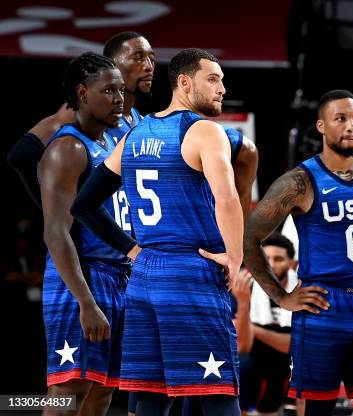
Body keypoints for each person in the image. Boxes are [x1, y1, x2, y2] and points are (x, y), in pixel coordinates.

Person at [71, 48, 243, 416]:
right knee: (217, 394)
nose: (222, 88)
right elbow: (228, 197)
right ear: (184, 83)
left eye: (223, 80)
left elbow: (84, 205)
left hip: (144, 278)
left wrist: (133, 251)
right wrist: (235, 256)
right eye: (213, 79)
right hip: (190, 273)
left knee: (148, 397)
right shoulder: (204, 131)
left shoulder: (135, 134)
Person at [243, 89, 353, 416]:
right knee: (317, 410)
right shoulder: (299, 182)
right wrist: (282, 297)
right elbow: (249, 237)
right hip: (324, 308)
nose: (351, 126)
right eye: (341, 119)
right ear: (322, 126)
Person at [39, 52, 134, 415]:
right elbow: (55, 234)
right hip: (81, 278)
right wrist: (86, 302)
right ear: (82, 93)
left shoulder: (113, 145)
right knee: (70, 388)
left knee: (103, 389)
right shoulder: (68, 148)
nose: (118, 99)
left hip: (116, 275)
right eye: (108, 90)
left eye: (121, 90)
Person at [6, 31, 155, 210]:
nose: (149, 66)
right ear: (113, 65)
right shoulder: (86, 110)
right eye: (138, 58)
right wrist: (55, 212)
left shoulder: (138, 120)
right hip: (93, 236)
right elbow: (21, 155)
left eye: (152, 59)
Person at [233, 233, 304, 416]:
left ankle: (270, 410)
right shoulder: (244, 285)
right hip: (256, 356)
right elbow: (243, 346)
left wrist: (254, 329)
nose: (271, 264)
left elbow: (293, 344)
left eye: (278, 259)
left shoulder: (302, 289)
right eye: (267, 258)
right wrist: (242, 303)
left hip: (291, 358)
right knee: (243, 363)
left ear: (291, 263)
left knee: (304, 363)